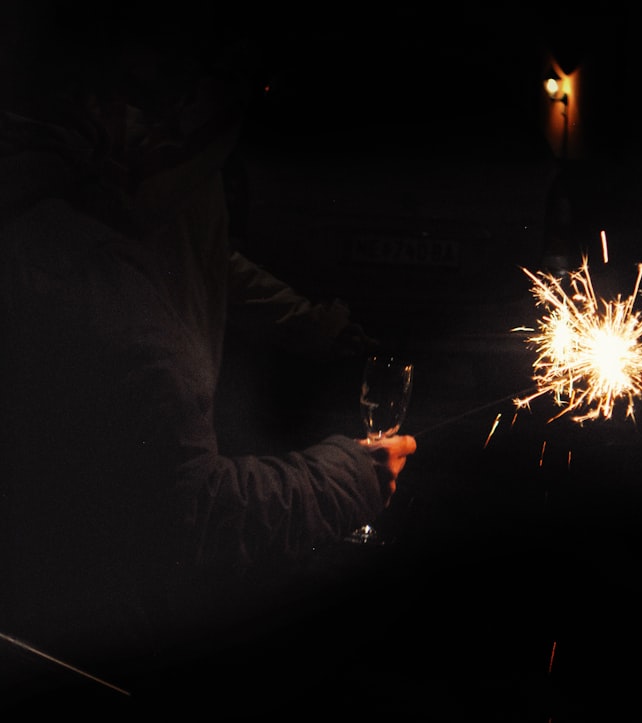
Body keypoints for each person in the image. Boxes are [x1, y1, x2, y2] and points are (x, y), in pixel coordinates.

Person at [0, 2, 417, 704]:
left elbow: (215, 260)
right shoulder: (102, 295)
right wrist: (350, 476)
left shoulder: (60, 214)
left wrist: (310, 323)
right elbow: (188, 525)